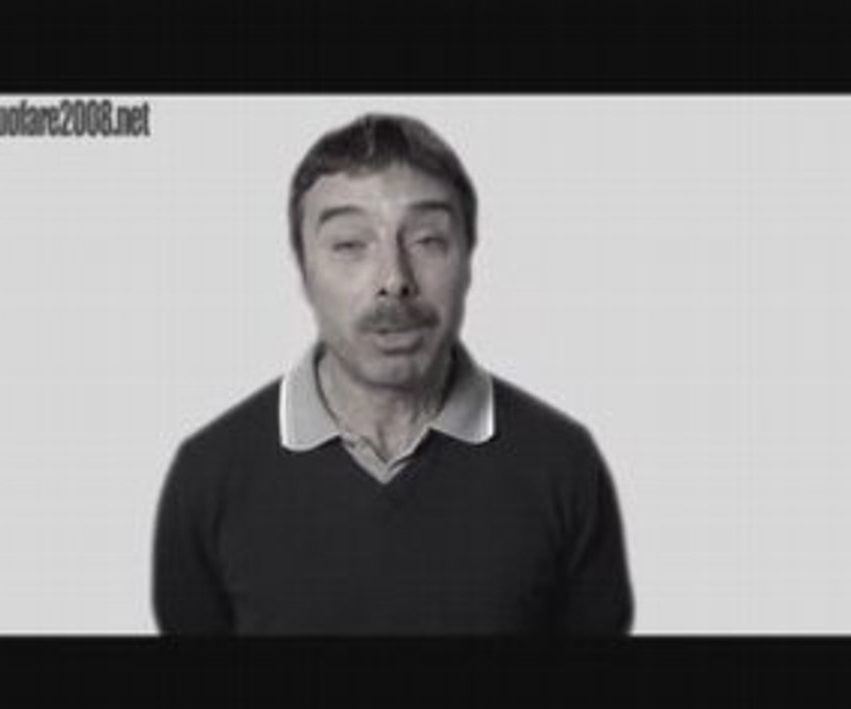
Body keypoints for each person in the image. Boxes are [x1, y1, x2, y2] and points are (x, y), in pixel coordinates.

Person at [152, 112, 635, 635]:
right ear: (303, 268)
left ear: (469, 259)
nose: (394, 279)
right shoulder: (210, 476)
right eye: (349, 244)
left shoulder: (563, 465)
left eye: (428, 239)